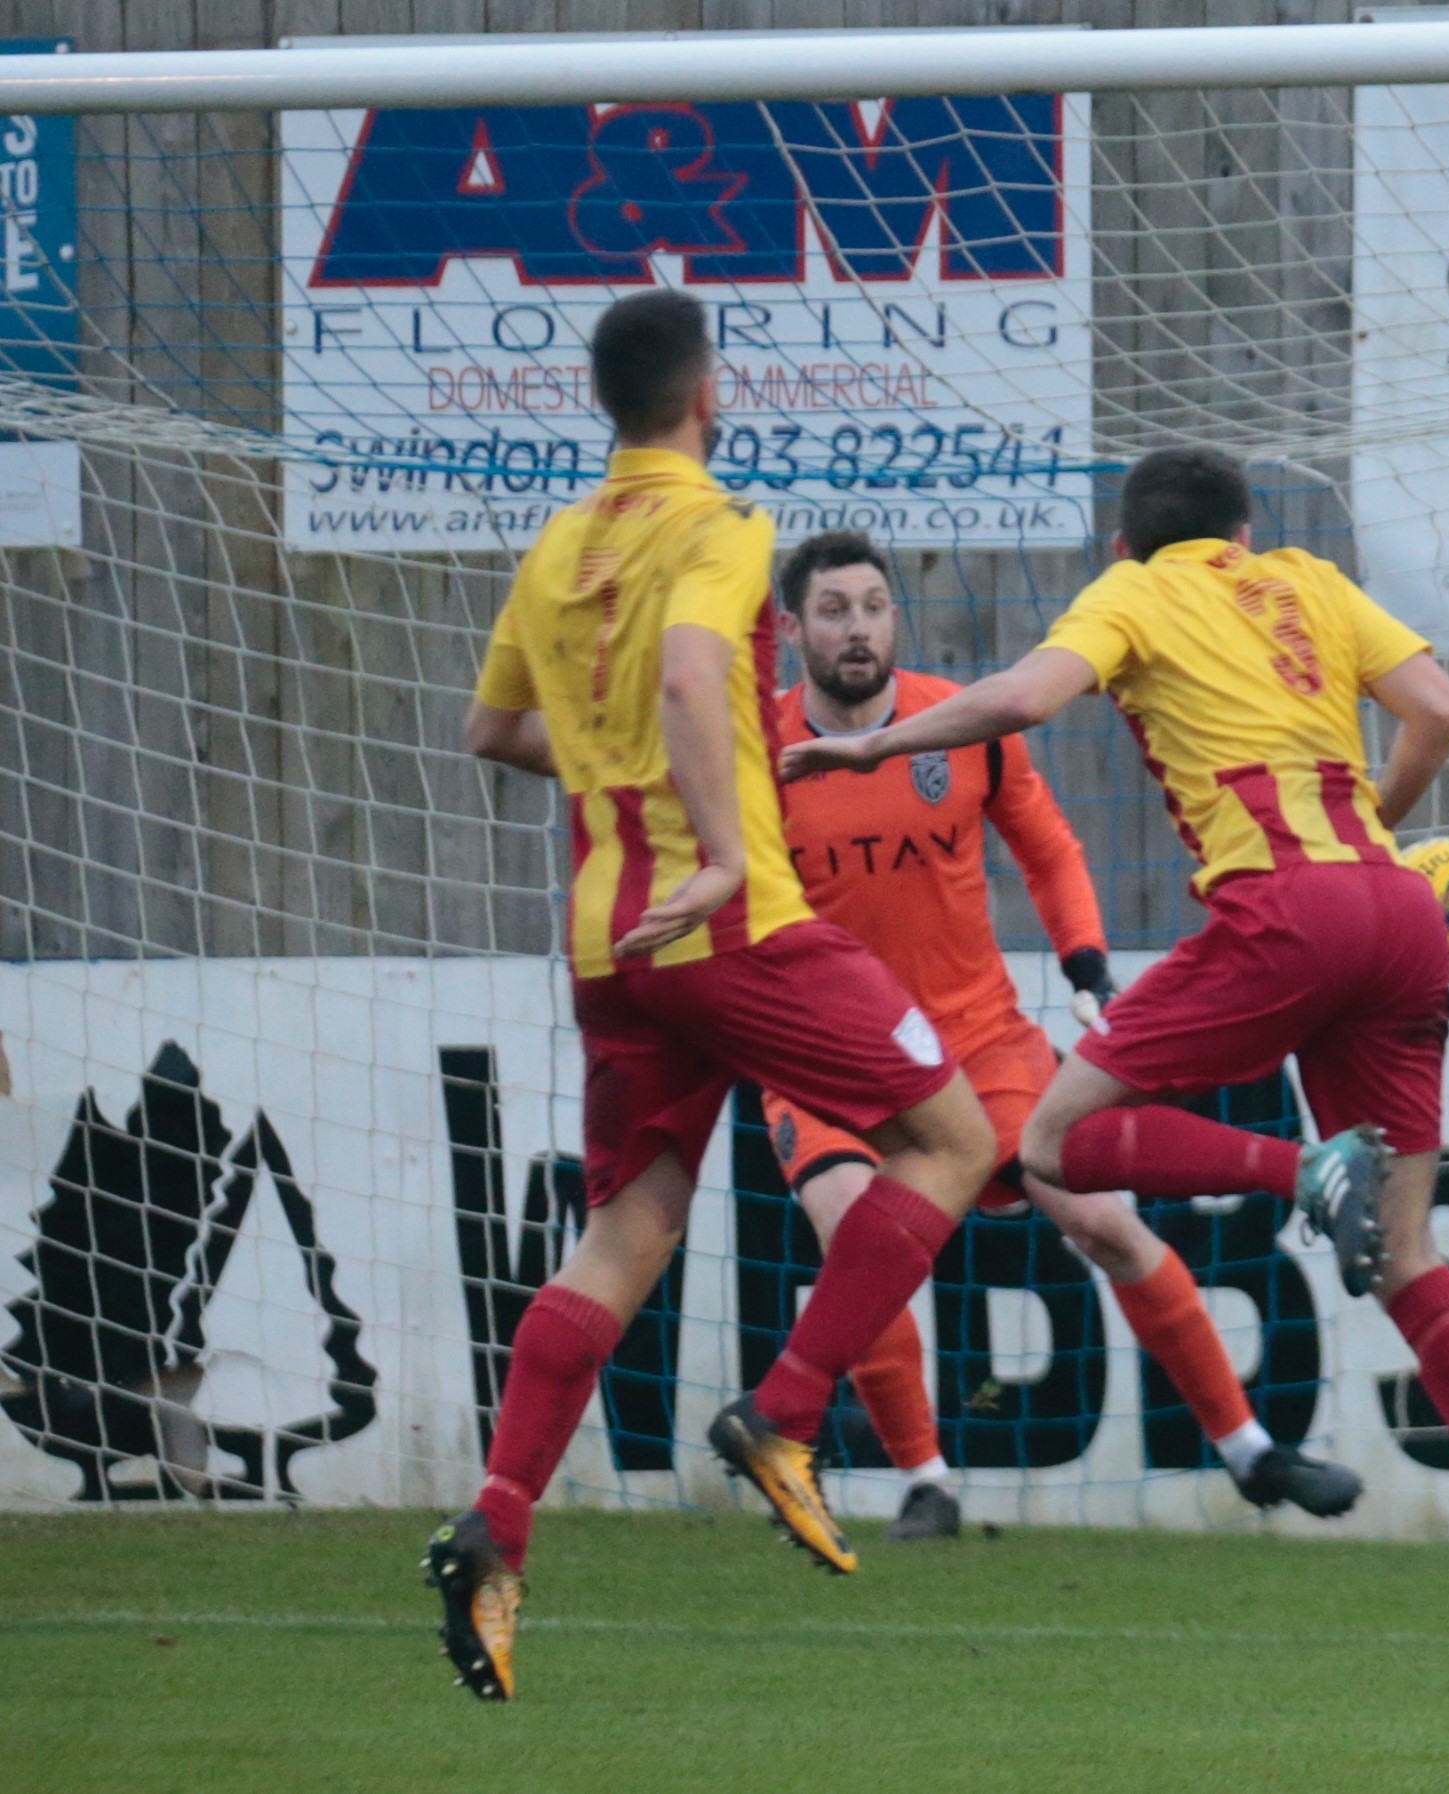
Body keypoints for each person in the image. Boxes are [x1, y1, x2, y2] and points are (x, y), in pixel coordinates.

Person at [784, 447, 1449, 1640]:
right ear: (1246, 534)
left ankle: (1301, 1175)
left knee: (1057, 1143)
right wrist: (1375, 834)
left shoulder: (1134, 594)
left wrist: (872, 747)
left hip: (1282, 910)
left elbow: (1020, 699)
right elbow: (1443, 710)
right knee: (1408, 1252)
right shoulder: (1306, 579)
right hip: (1400, 912)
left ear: (1122, 548)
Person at [433, 290, 999, 1702]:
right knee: (957, 1139)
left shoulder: (560, 542)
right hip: (731, 919)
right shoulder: (724, 526)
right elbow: (694, 671)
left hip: (606, 942)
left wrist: (620, 767)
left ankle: (498, 1525)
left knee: (626, 1230)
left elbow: (493, 729)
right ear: (709, 394)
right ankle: (789, 1412)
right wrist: (729, 844)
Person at [765, 529, 1361, 1536]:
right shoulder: (761, 752)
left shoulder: (960, 726)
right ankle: (927, 1481)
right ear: (792, 630)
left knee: (1104, 1222)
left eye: (873, 605)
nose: (857, 626)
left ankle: (1250, 1451)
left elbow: (1046, 848)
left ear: (894, 617)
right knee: (855, 1239)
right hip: (828, 1055)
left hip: (978, 1038)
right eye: (834, 610)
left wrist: (1084, 960)